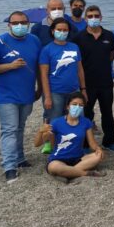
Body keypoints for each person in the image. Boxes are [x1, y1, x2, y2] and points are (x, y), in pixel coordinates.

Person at [0, 11, 42, 183]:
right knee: (9, 129)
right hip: (6, 95)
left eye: (23, 22)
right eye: (15, 23)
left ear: (29, 24)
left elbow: (38, 66)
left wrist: (39, 88)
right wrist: (10, 66)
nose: (20, 26)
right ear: (9, 24)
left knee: (20, 127)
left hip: (27, 93)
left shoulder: (34, 40)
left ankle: (20, 158)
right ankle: (9, 167)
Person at [72, 5, 114, 151]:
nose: (94, 18)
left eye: (96, 16)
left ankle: (109, 140)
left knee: (107, 112)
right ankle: (86, 143)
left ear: (101, 17)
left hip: (105, 81)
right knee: (86, 113)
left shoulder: (109, 35)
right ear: (86, 18)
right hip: (87, 83)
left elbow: (111, 56)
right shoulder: (79, 37)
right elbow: (77, 61)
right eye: (90, 16)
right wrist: (82, 86)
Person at [38, 18, 87, 154]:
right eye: (59, 30)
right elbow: (44, 75)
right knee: (54, 120)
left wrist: (83, 89)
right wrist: (47, 96)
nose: (62, 32)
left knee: (76, 119)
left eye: (65, 30)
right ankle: (50, 145)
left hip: (74, 91)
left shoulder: (74, 47)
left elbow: (80, 70)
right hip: (55, 92)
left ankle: (75, 146)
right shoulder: (46, 50)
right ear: (53, 31)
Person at [34, 92, 105, 180]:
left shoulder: (86, 122)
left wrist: (98, 149)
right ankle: (86, 173)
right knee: (54, 167)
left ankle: (68, 173)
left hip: (78, 158)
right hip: (59, 159)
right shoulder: (57, 122)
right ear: (67, 106)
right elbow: (37, 144)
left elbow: (92, 143)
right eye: (74, 104)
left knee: (98, 156)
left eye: (81, 105)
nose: (77, 107)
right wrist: (40, 132)